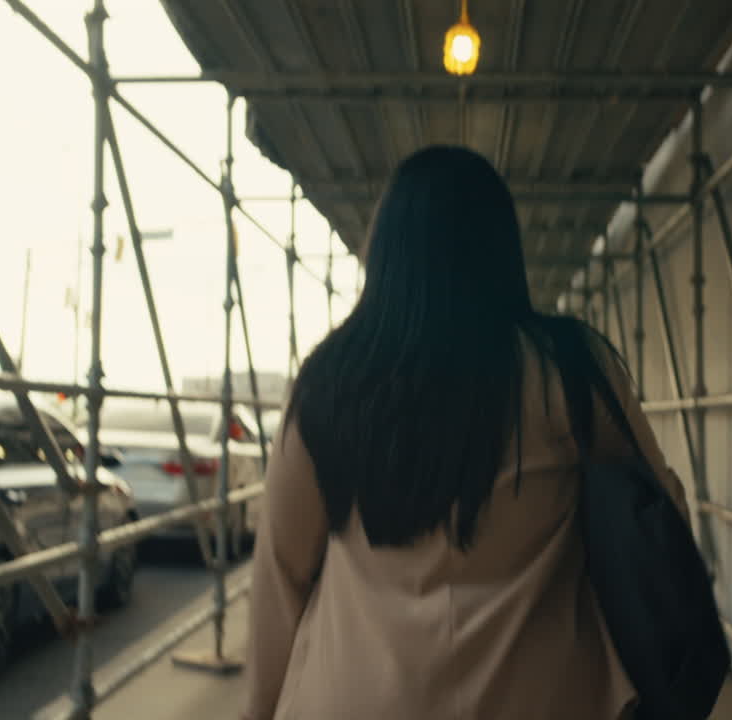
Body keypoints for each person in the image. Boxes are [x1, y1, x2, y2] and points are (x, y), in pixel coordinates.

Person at [241, 146, 692, 720]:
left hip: (353, 698)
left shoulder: (331, 380)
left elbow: (281, 572)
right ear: (501, 248)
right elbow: (661, 516)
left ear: (387, 251)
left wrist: (257, 710)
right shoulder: (571, 369)